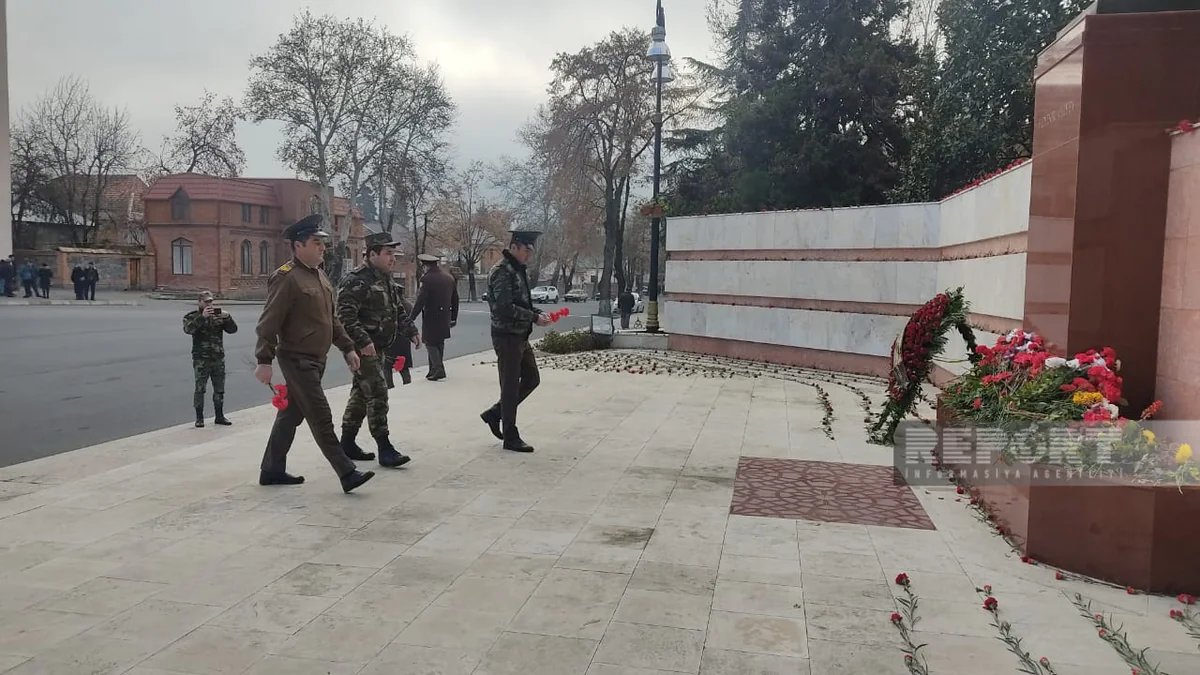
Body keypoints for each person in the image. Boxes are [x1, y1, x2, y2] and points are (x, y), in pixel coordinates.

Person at [254, 214, 375, 493]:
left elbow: (330, 320)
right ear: (298, 246)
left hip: (316, 359)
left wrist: (347, 348)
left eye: (323, 243)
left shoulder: (318, 275)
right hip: (297, 359)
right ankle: (346, 472)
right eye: (315, 242)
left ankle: (271, 469)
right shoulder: (286, 278)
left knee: (290, 416)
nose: (322, 248)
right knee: (320, 415)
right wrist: (264, 360)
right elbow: (268, 323)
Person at [336, 232, 421, 468]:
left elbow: (397, 310)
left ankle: (347, 442)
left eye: (393, 254)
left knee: (361, 395)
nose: (392, 258)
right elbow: (344, 315)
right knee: (378, 393)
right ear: (372, 254)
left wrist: (411, 331)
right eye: (387, 254)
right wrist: (362, 341)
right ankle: (385, 448)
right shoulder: (357, 280)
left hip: (379, 347)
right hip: (363, 350)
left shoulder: (385, 279)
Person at [480, 229, 551, 453]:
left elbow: (522, 302)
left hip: (520, 334)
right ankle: (510, 435)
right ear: (513, 247)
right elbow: (504, 307)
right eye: (526, 250)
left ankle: (495, 413)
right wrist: (533, 317)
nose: (528, 254)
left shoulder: (517, 270)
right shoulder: (502, 271)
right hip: (507, 336)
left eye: (530, 250)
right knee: (510, 387)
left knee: (532, 378)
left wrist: (537, 312)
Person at [183, 291, 237, 427]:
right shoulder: (192, 316)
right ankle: (199, 418)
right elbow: (188, 330)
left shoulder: (218, 316)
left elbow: (233, 330)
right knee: (200, 389)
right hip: (201, 358)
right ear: (199, 302)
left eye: (211, 301)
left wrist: (228, 317)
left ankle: (219, 416)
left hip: (218, 357)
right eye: (206, 302)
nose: (209, 304)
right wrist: (202, 317)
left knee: (219, 389)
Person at [410, 253, 459, 381]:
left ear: (425, 266)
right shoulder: (449, 278)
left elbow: (421, 300)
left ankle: (438, 368)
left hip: (431, 316)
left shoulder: (427, 279)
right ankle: (433, 370)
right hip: (445, 316)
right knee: (439, 342)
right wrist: (454, 317)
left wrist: (411, 317)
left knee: (430, 342)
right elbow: (455, 299)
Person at [385, 284, 415, 388]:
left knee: (387, 366)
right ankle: (407, 384)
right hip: (404, 340)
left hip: (390, 338)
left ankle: (389, 386)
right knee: (403, 365)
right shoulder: (408, 305)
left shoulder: (389, 304)